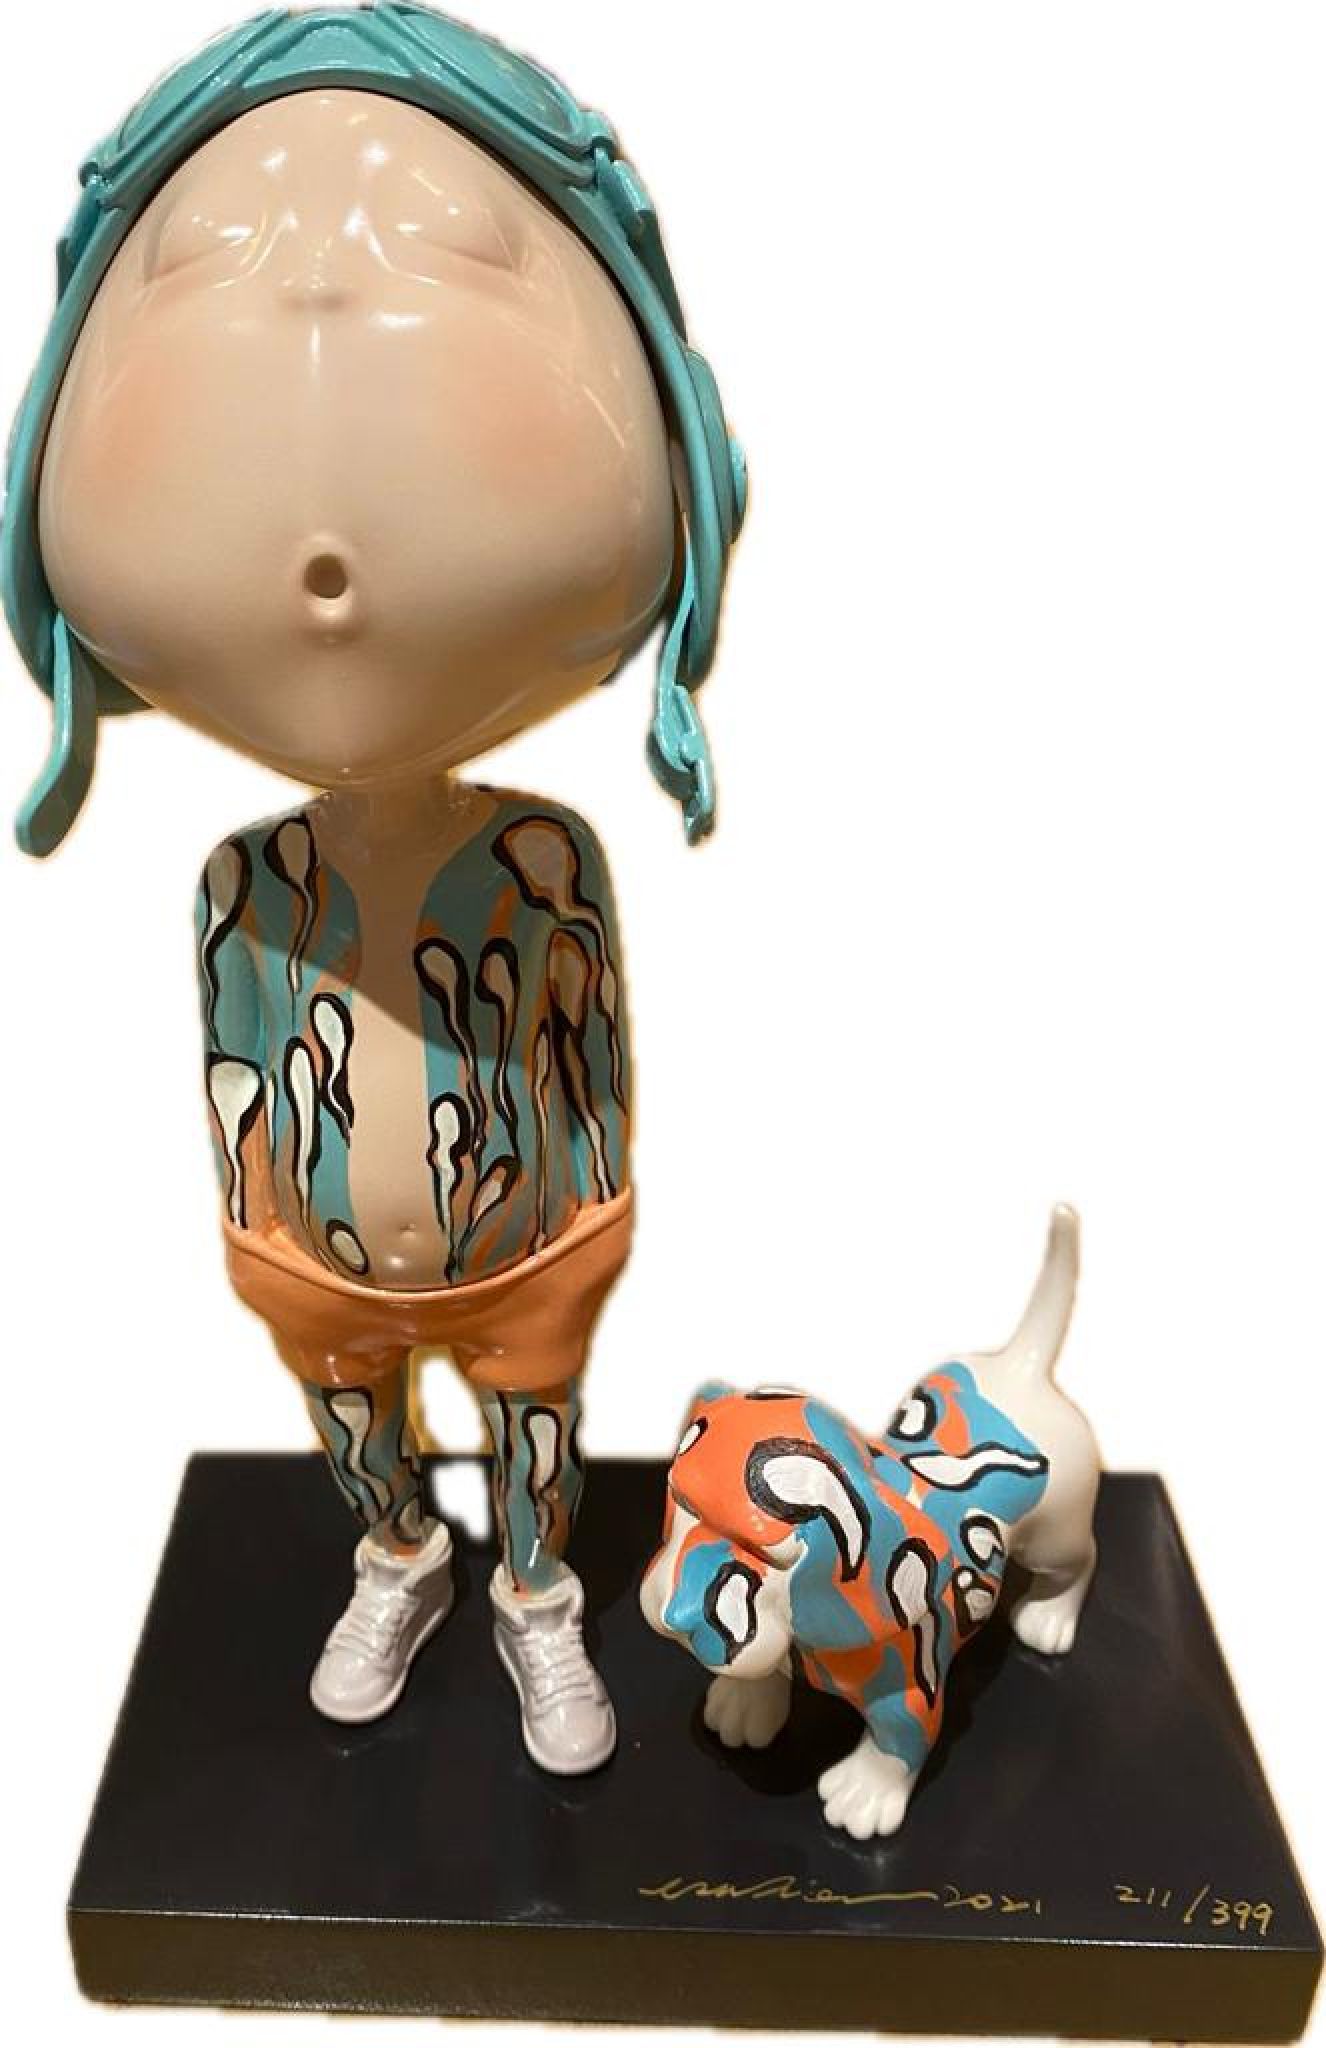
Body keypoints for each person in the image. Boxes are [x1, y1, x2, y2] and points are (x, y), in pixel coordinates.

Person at [1, 2, 743, 1775]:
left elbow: (589, 1044)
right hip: (313, 1255)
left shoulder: (545, 858)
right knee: (354, 1427)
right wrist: (256, 1219)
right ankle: (400, 1557)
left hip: (525, 1241)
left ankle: (536, 1592)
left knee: (537, 1422)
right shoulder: (241, 880)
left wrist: (596, 1198)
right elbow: (232, 1062)